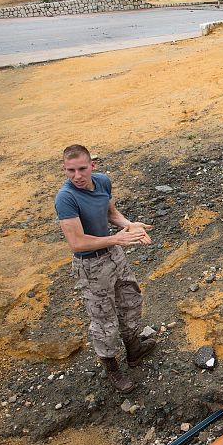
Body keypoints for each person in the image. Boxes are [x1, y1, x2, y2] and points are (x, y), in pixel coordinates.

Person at [55, 145, 156, 393]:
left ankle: (134, 350)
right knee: (103, 320)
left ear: (92, 166)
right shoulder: (66, 198)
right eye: (70, 170)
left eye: (81, 169)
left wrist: (129, 225)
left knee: (130, 300)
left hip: (114, 255)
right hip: (90, 265)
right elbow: (76, 242)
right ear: (64, 169)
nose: (76, 176)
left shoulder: (102, 182)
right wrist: (115, 239)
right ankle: (111, 367)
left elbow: (111, 214)